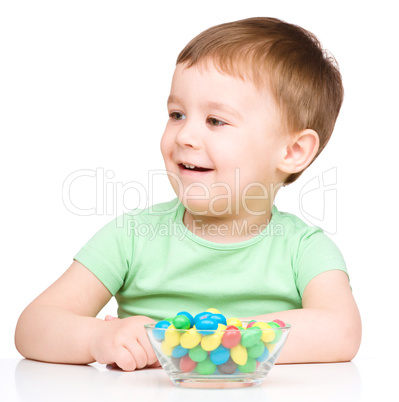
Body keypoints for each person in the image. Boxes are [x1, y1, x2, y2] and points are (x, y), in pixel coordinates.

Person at [15, 17, 361, 371]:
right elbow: (33, 326)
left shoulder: (304, 248)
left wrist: (217, 340)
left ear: (293, 151)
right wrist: (96, 339)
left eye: (216, 120)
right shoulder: (133, 237)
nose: (184, 136)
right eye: (177, 114)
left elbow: (342, 330)